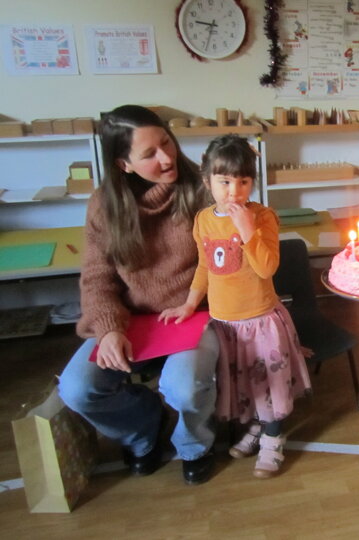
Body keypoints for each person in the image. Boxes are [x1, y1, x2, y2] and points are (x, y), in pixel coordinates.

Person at [58, 105, 219, 486]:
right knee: (77, 389)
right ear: (124, 164)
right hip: (133, 320)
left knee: (184, 387)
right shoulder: (104, 205)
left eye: (166, 142)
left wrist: (195, 304)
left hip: (193, 313)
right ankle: (143, 427)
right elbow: (97, 277)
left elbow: (223, 262)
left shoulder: (203, 189)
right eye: (149, 154)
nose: (166, 158)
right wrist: (109, 328)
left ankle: (195, 444)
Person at [159, 134, 311, 479]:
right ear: (207, 181)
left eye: (244, 181)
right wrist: (189, 304)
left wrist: (247, 231)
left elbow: (267, 268)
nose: (234, 191)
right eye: (225, 181)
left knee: (271, 383)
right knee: (248, 384)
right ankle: (258, 426)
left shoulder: (263, 217)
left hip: (261, 321)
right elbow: (204, 267)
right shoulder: (203, 220)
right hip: (224, 323)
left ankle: (273, 437)